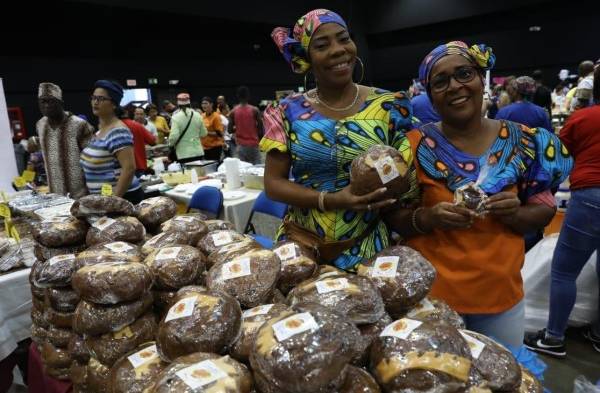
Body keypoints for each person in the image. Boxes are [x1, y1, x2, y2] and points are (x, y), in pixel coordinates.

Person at [386, 41, 572, 347]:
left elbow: (544, 210)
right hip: (431, 301)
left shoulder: (522, 141)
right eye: (440, 81)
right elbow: (394, 217)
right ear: (430, 95)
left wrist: (515, 213)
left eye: (464, 73)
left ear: (479, 79)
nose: (455, 86)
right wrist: (428, 217)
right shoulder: (412, 147)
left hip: (500, 299)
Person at [261, 9, 417, 270]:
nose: (338, 50)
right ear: (307, 57)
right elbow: (273, 183)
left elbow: (407, 177)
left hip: (369, 249)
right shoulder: (286, 111)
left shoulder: (389, 105)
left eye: (343, 38)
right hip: (303, 250)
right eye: (322, 45)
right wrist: (332, 200)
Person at [524, 65, 600, 357]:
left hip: (590, 196)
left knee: (564, 271)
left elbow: (555, 161)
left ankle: (553, 338)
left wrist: (542, 195)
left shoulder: (582, 117)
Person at [80, 80, 143, 203]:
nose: (95, 102)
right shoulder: (99, 131)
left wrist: (113, 202)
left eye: (101, 99)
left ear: (114, 104)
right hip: (104, 199)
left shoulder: (118, 131)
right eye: (93, 98)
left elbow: (129, 169)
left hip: (124, 198)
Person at [36, 82, 94, 198]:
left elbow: (92, 159)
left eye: (51, 101)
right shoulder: (40, 125)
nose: (46, 105)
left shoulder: (79, 125)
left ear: (61, 103)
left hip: (81, 194)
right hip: (55, 195)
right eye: (43, 101)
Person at [229, 86, 263, 164]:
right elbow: (261, 129)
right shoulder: (255, 110)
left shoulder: (233, 111)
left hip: (241, 146)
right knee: (257, 169)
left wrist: (238, 127)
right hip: (254, 145)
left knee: (243, 170)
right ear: (248, 96)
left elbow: (229, 130)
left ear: (237, 96)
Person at [169, 93, 207, 163]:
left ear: (178, 104)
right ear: (189, 103)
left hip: (183, 154)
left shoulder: (175, 117)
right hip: (198, 151)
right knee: (199, 173)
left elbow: (174, 136)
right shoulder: (198, 115)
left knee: (187, 173)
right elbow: (204, 133)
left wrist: (170, 145)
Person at [122, 111, 156, 177]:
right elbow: (153, 141)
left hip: (119, 169)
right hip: (138, 165)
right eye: (137, 114)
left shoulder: (110, 127)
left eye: (141, 114)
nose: (139, 116)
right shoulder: (136, 125)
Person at [201, 96, 225, 161]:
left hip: (215, 148)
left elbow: (220, 134)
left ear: (211, 104)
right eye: (202, 104)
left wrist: (206, 132)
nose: (203, 105)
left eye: (206, 103)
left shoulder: (216, 116)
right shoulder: (202, 116)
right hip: (205, 148)